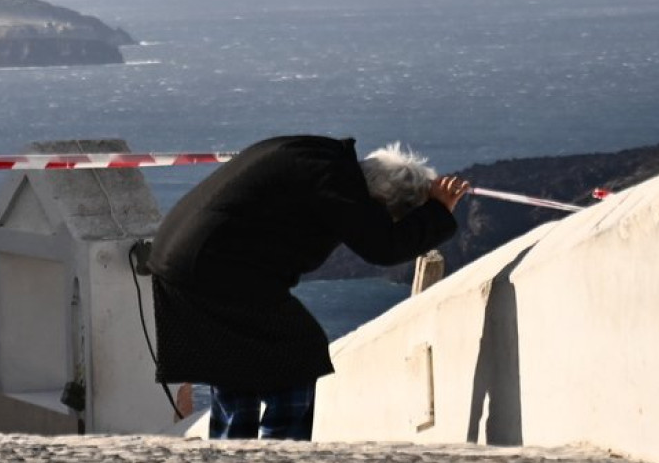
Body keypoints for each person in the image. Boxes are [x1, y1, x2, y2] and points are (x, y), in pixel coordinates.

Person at [146, 135, 470, 440]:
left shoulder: (322, 158)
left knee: (234, 366)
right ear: (380, 199)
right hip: (215, 266)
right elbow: (384, 246)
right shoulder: (335, 182)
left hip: (179, 257)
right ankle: (282, 452)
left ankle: (231, 457)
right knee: (299, 354)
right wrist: (437, 211)